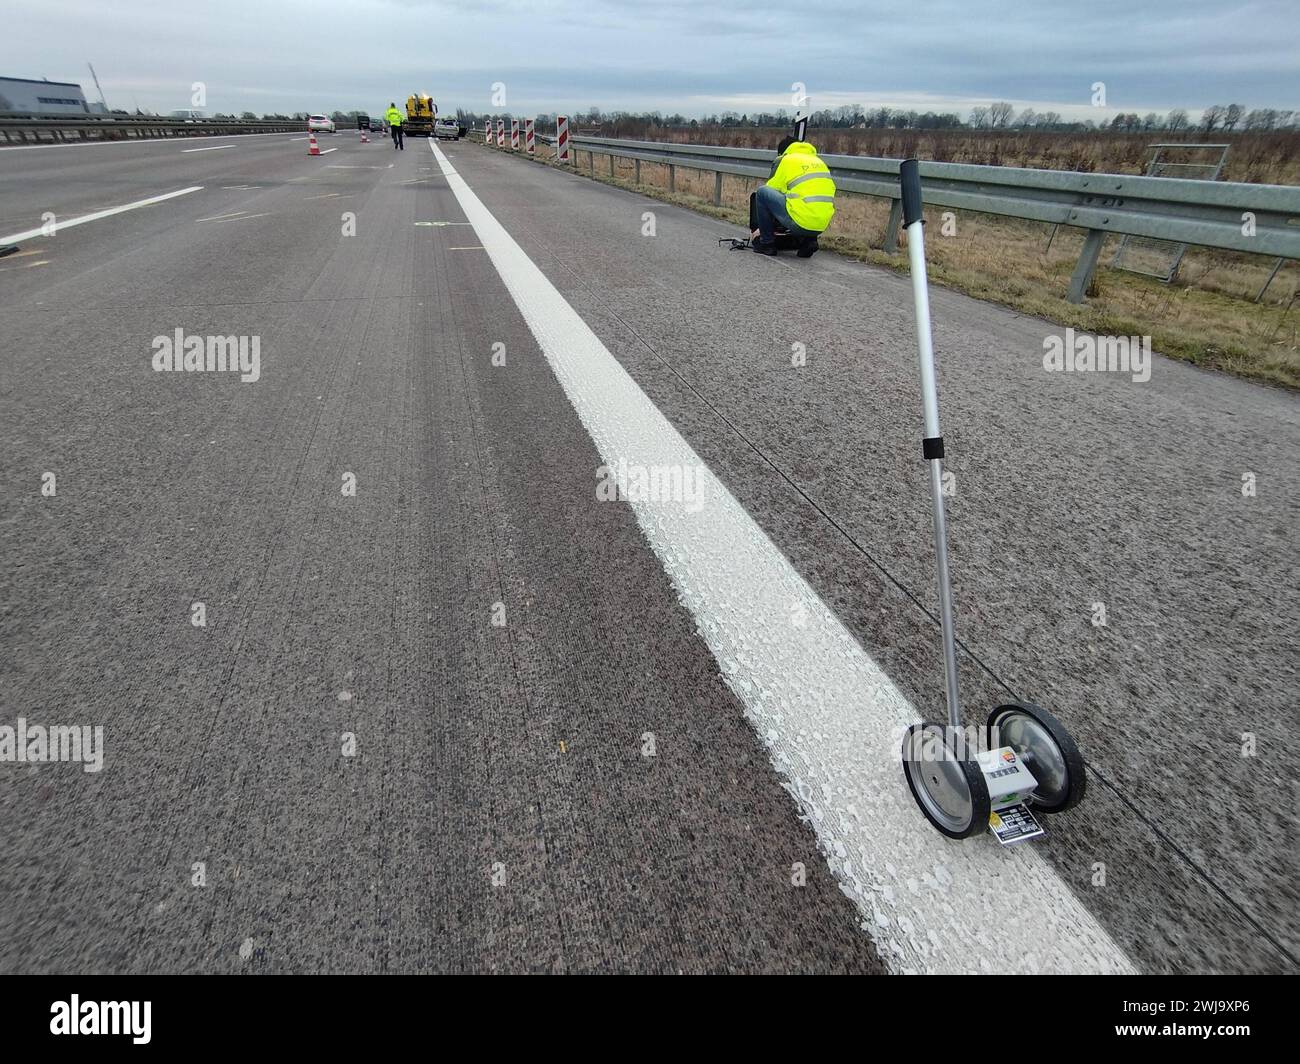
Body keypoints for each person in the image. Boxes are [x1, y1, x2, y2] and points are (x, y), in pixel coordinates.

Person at [750, 135, 836, 257]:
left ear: (782, 152)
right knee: (807, 203)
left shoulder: (786, 160)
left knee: (762, 192)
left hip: (800, 221)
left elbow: (772, 188)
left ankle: (767, 244)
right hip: (821, 224)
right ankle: (810, 241)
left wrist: (762, 228)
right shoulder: (819, 161)